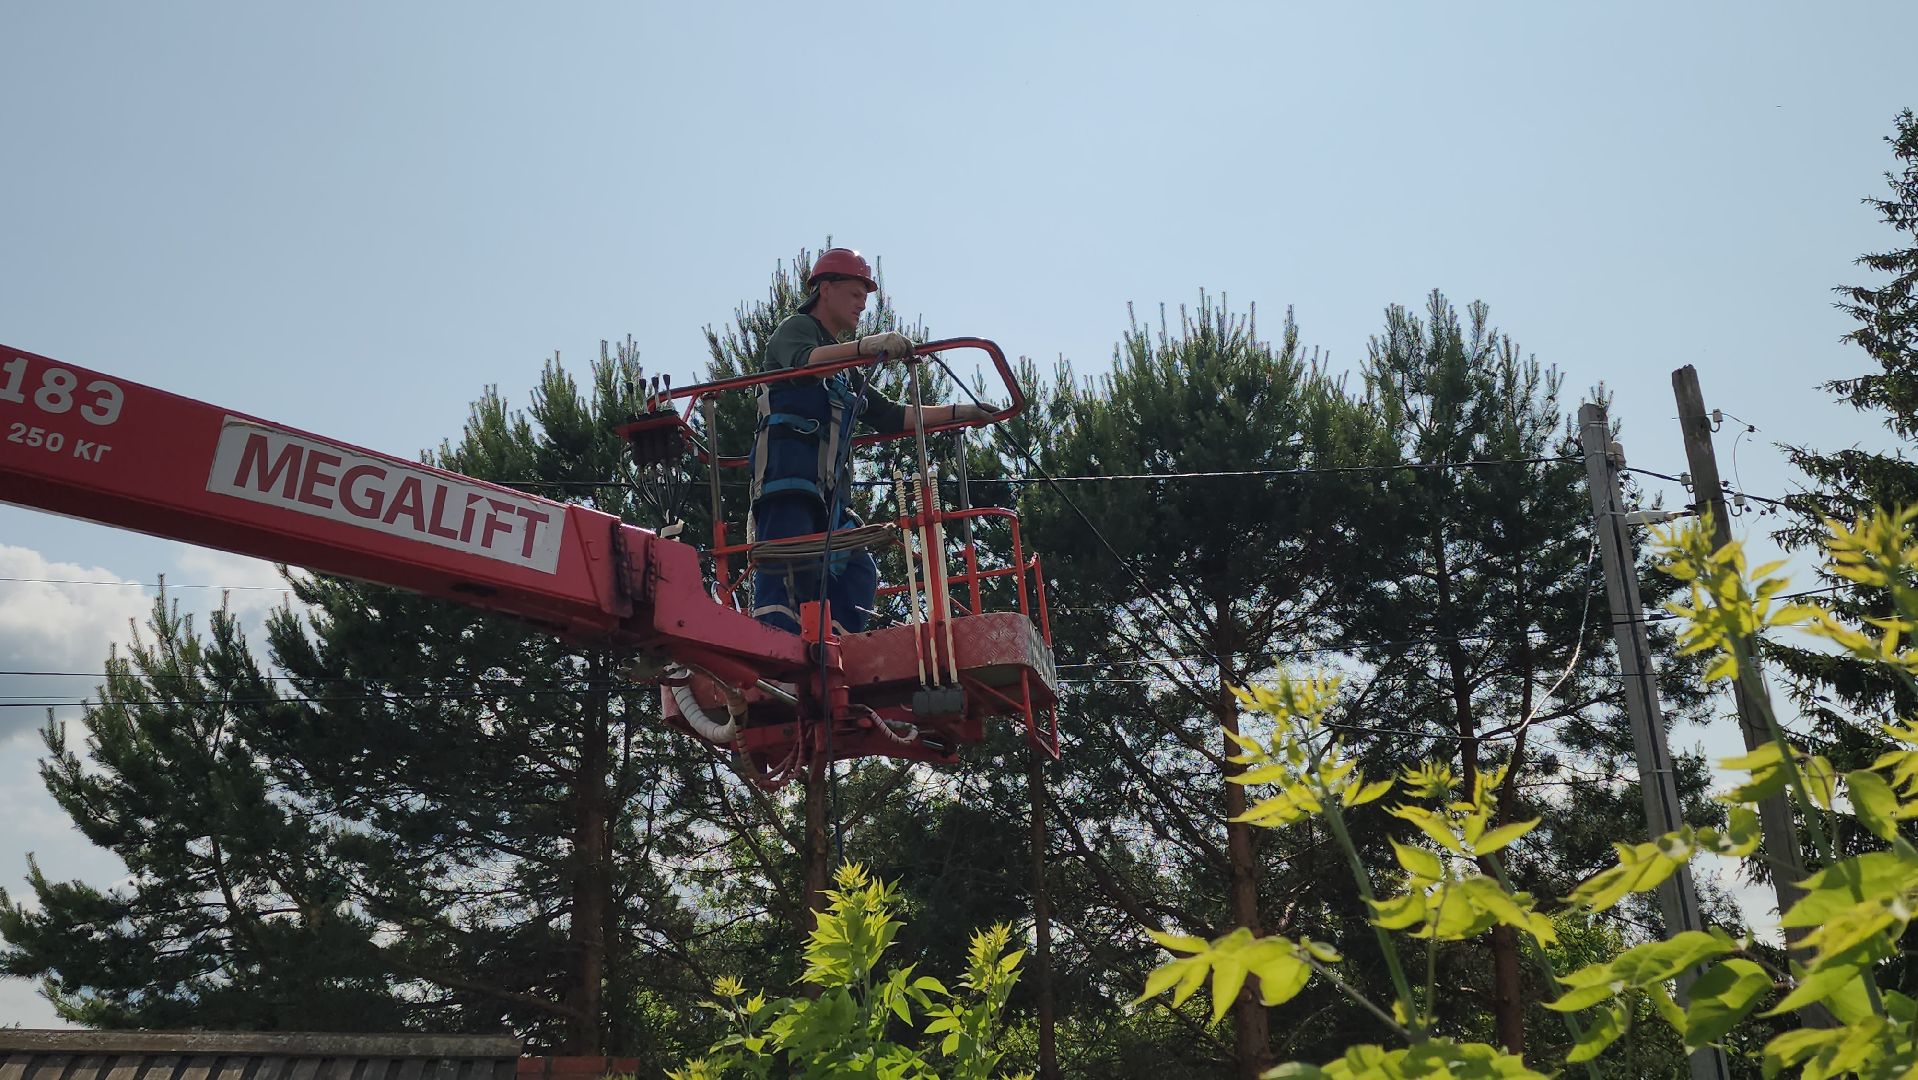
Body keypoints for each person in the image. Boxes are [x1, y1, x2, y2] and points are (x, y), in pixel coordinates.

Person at [749, 248, 991, 636]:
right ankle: (773, 646)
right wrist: (866, 347)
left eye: (866, 297)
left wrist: (962, 412)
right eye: (855, 294)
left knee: (857, 566)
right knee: (785, 565)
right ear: (824, 289)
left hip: (828, 495)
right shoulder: (796, 330)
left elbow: (894, 415)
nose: (862, 305)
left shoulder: (845, 372)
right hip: (788, 478)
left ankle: (838, 642)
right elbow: (806, 362)